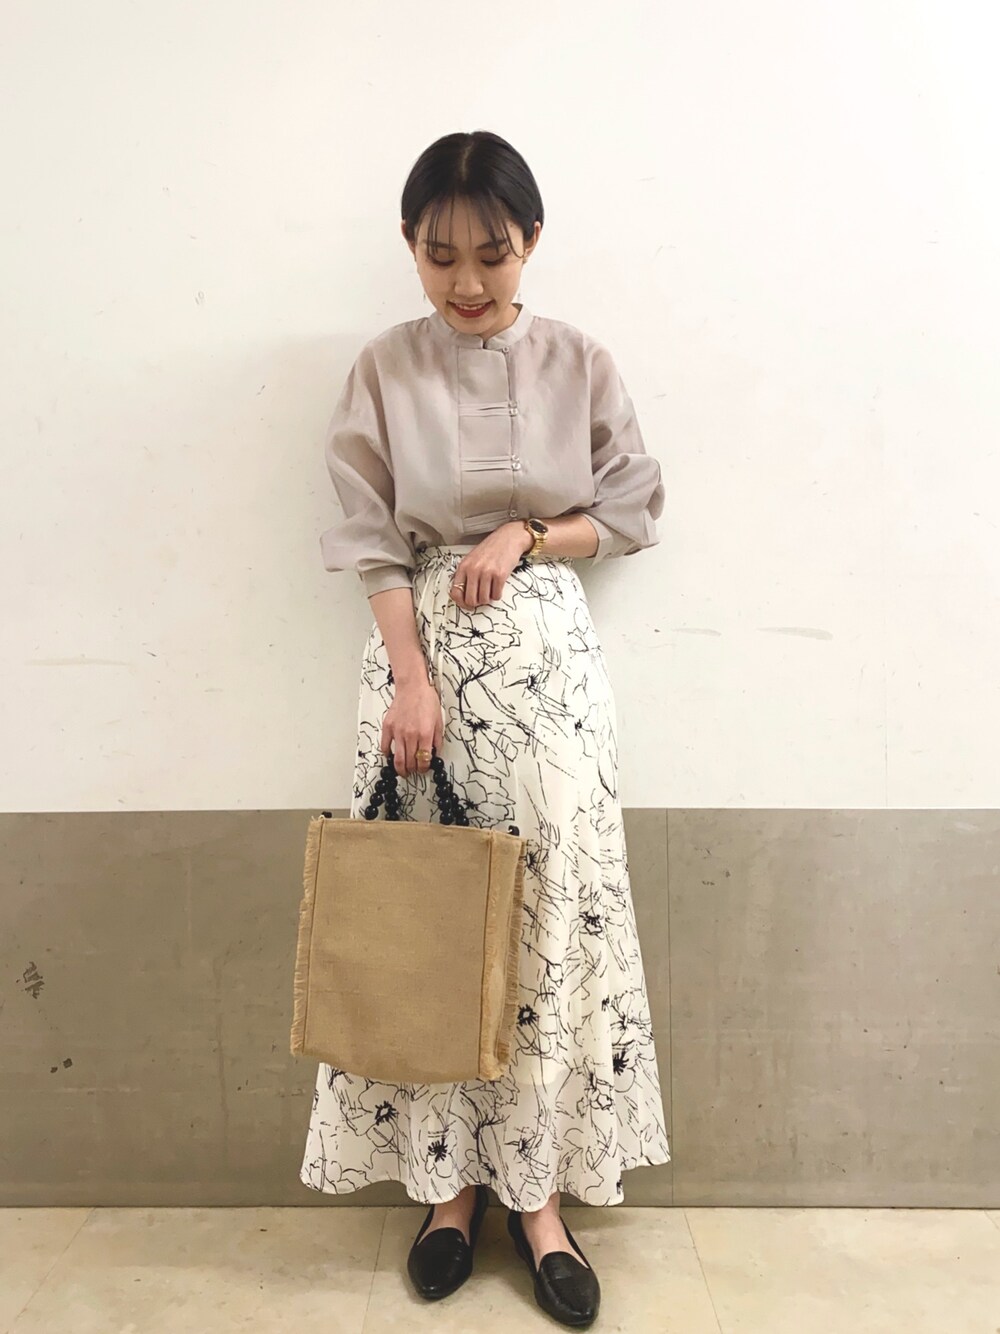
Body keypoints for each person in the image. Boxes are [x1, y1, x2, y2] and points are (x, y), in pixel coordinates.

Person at [299, 129, 670, 1328]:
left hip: (550, 671)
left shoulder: (579, 360)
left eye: (492, 254)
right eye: (440, 254)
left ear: (531, 242)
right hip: (422, 672)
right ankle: (448, 1190)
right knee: (428, 921)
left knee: (549, 921)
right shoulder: (382, 368)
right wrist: (410, 680)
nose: (466, 281)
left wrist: (527, 534)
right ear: (409, 247)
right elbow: (369, 535)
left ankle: (540, 1199)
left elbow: (633, 503)